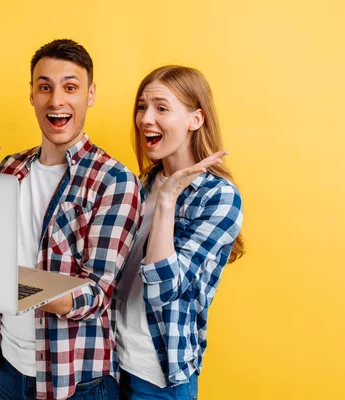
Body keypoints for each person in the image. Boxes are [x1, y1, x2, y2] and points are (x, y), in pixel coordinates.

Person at [0, 39, 141, 400]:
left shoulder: (114, 180)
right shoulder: (9, 169)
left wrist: (2, 283)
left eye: (70, 87)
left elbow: (94, 294)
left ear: (90, 94)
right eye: (45, 87)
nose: (57, 100)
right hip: (10, 367)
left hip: (76, 381)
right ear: (32, 95)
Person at [115, 65, 245, 400]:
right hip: (110, 364)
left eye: (161, 107)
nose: (145, 118)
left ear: (195, 119)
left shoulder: (219, 197)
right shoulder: (138, 185)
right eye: (142, 107)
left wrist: (168, 200)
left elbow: (164, 289)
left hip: (158, 379)